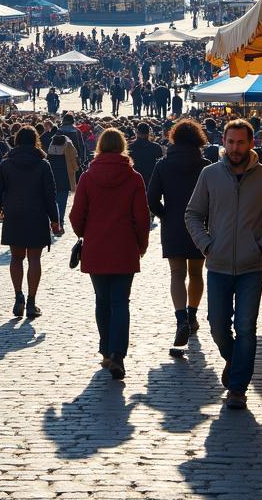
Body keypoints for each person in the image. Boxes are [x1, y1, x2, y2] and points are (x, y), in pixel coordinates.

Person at [184, 118, 262, 410]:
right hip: (217, 265)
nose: (235, 147)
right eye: (230, 142)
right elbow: (192, 214)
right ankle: (234, 359)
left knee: (246, 327)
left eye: (241, 142)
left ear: (251, 143)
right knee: (217, 326)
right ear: (224, 142)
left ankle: (238, 388)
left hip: (251, 267)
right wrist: (206, 244)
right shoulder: (210, 174)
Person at [69, 128, 149, 380]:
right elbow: (142, 217)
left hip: (97, 247)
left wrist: (84, 232)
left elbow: (76, 214)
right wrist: (141, 244)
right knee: (120, 303)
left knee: (102, 301)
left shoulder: (88, 177)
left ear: (100, 147)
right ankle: (117, 354)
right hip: (124, 247)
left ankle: (106, 350)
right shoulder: (134, 177)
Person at [146, 118, 211, 346]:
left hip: (173, 223)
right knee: (196, 273)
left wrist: (165, 215)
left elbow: (151, 198)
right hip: (200, 225)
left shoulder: (162, 165)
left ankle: (180, 318)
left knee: (176, 274)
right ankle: (192, 315)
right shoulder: (206, 165)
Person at [0, 126, 60, 319]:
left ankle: (18, 296)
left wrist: (0, 209)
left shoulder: (6, 164)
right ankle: (31, 301)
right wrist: (55, 220)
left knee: (16, 258)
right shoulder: (43, 164)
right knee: (34, 259)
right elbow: (50, 195)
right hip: (37, 214)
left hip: (14, 214)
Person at [45, 131, 79, 229]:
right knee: (62, 202)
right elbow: (74, 161)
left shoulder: (51, 147)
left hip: (52, 176)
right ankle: (60, 221)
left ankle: (53, 220)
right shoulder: (68, 145)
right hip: (64, 176)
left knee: (52, 200)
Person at [129, 122, 163, 190]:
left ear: (136, 132)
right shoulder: (156, 147)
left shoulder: (129, 148)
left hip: (134, 181)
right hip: (151, 182)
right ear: (149, 132)